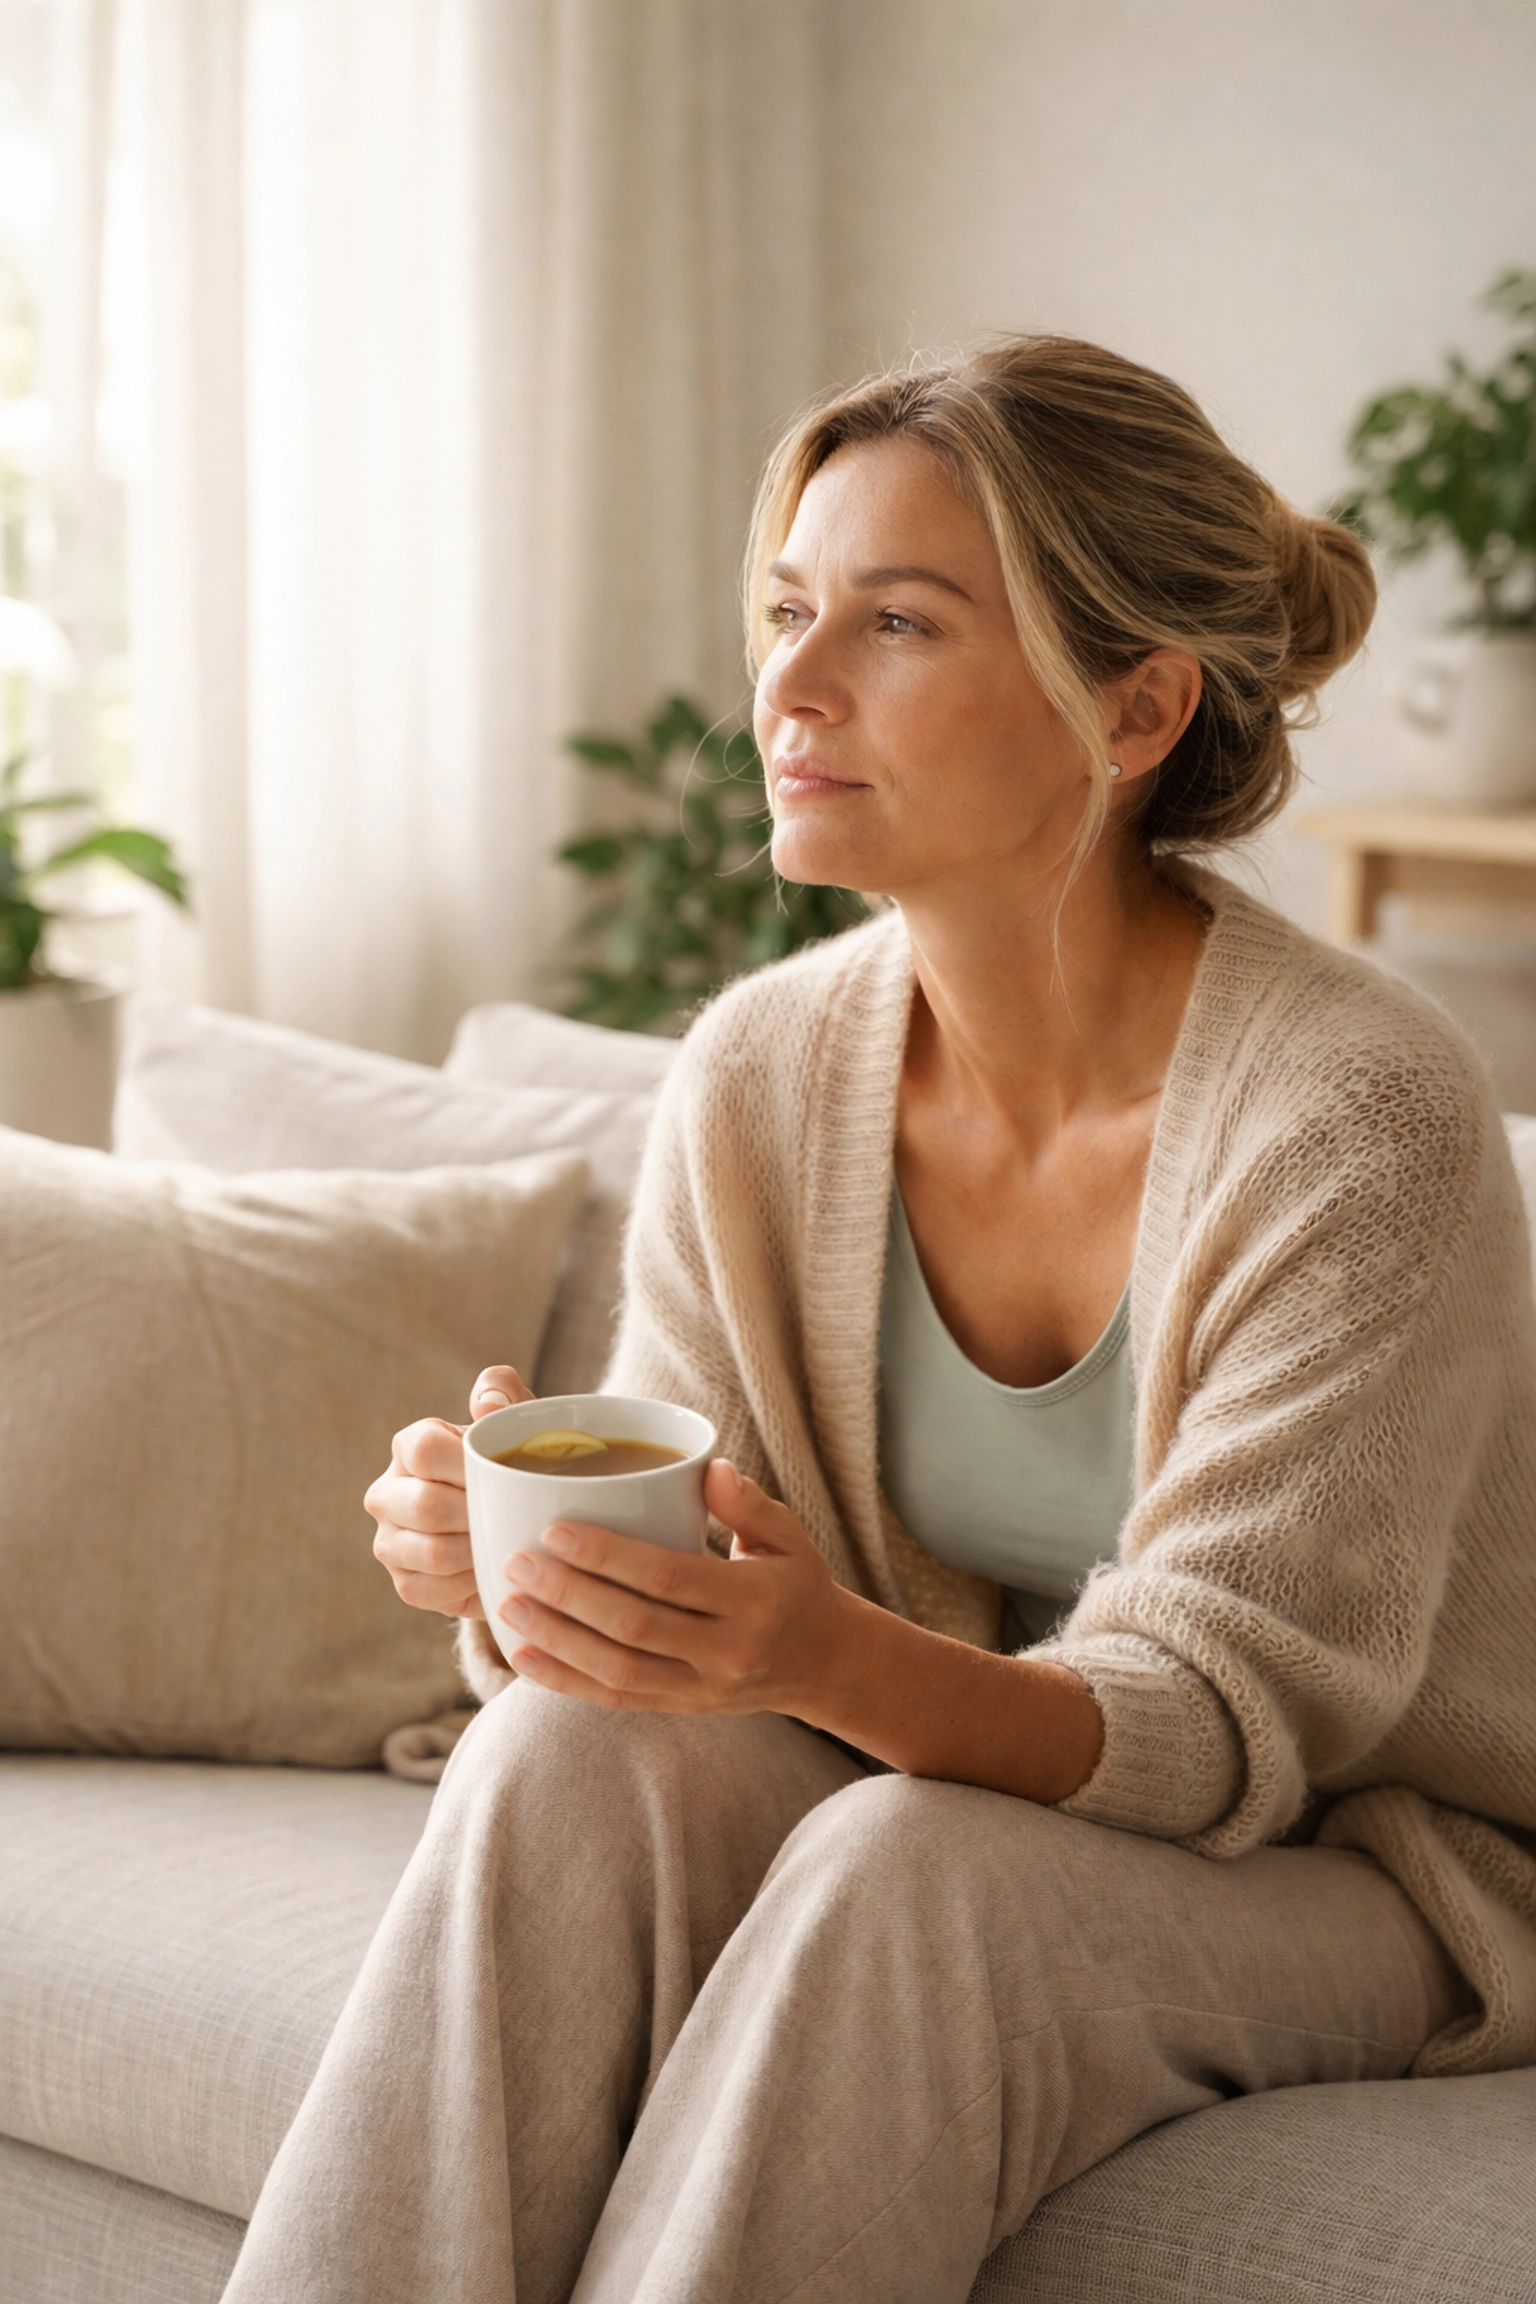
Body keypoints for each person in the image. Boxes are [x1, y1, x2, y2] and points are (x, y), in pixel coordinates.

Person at [224, 337, 1536, 2304]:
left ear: (1136, 708)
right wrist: (544, 1585)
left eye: (899, 622)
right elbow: (709, 1586)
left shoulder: (1361, 1115)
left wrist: (825, 1653)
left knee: (904, 1872)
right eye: (787, 612)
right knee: (563, 1758)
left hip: (1363, 1859)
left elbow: (1224, 1720)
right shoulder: (759, 1070)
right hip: (957, 1777)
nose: (790, 686)